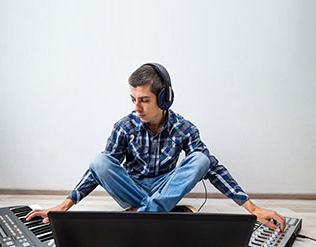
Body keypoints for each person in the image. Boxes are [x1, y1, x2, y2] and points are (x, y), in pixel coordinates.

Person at [26, 63, 286, 231]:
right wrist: (65, 204)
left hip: (165, 187)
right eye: (133, 99)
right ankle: (154, 212)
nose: (136, 107)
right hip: (133, 187)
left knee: (201, 160)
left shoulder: (185, 128)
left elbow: (213, 170)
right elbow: (100, 170)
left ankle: (144, 214)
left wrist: (252, 208)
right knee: (99, 160)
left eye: (144, 100)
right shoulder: (123, 126)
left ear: (164, 99)